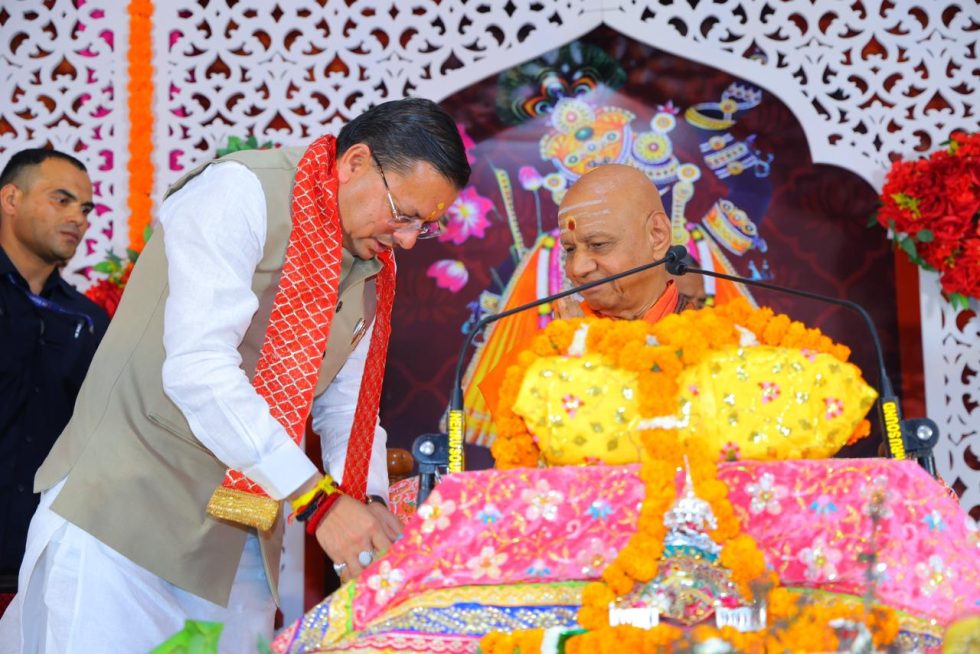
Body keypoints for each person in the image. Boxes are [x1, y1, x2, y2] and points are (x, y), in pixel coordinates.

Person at [0, 98, 470, 653]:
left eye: (424, 226)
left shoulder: (372, 265)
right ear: (355, 162)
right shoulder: (240, 191)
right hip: (123, 517)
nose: (408, 240)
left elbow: (347, 407)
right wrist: (319, 503)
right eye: (403, 213)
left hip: (236, 541)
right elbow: (198, 369)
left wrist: (369, 504)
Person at [473, 164, 689, 426]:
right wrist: (569, 359)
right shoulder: (547, 352)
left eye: (598, 244)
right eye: (570, 250)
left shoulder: (719, 337)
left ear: (657, 236)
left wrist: (588, 360)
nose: (577, 268)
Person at [0, 149, 109, 598]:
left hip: (46, 563)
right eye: (61, 200)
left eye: (85, 208)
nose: (77, 219)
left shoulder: (86, 320)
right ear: (11, 199)